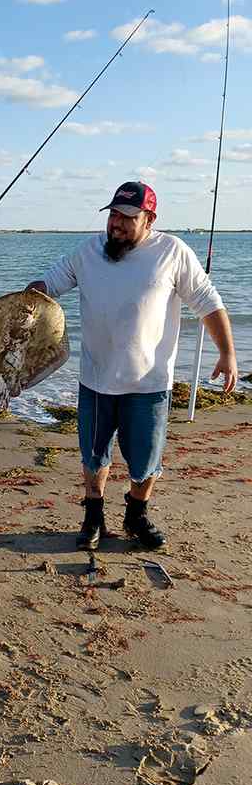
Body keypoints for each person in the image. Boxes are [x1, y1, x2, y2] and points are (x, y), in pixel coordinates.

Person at [26, 181, 237, 551]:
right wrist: (31, 294)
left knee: (145, 461)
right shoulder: (88, 251)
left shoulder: (172, 252)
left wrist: (228, 354)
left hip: (148, 385)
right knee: (93, 456)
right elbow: (50, 283)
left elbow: (208, 303)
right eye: (112, 215)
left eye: (126, 217)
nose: (116, 224)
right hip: (95, 380)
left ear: (149, 219)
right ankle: (93, 514)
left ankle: (136, 514)